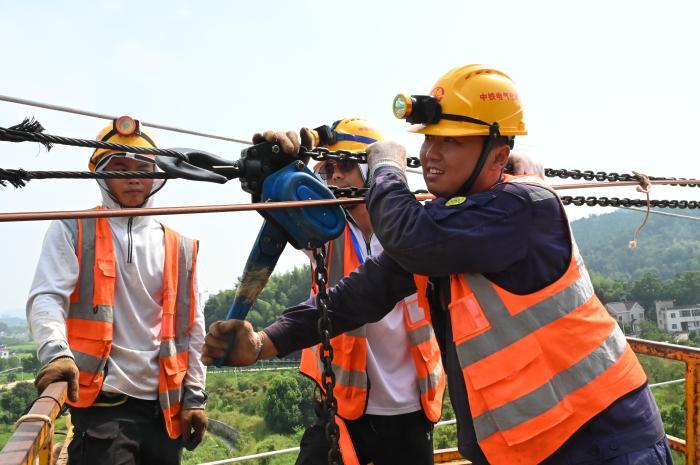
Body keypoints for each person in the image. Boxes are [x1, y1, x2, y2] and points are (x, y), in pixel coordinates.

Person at [203, 64, 670, 464]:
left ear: (499, 155)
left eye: (451, 143)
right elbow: (360, 294)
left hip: (604, 439)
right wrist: (265, 341)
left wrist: (384, 163)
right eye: (428, 141)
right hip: (526, 449)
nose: (429, 156)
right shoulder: (446, 228)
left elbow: (408, 236)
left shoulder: (523, 207)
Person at [28, 116, 208, 465]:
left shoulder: (180, 246)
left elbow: (193, 330)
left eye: (143, 167)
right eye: (120, 166)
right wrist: (55, 353)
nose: (134, 176)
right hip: (103, 407)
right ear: (100, 174)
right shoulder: (74, 228)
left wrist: (195, 398)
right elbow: (46, 296)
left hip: (164, 410)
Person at [291, 118, 446, 465]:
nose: (336, 177)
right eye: (327, 168)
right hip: (344, 404)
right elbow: (277, 202)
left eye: (345, 165)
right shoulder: (324, 232)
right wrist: (285, 158)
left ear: (370, 167)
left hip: (412, 403)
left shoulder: (417, 225)